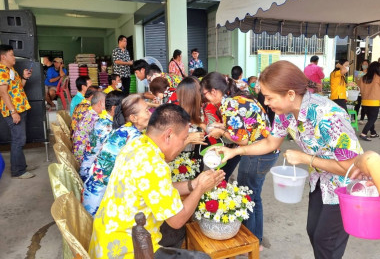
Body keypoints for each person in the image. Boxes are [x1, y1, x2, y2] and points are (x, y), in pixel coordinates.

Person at [214, 61, 363, 258]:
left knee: (326, 242)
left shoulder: (328, 115)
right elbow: (270, 143)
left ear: (290, 94)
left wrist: (305, 158)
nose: (265, 102)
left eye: (269, 97)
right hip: (320, 182)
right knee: (314, 232)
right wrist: (235, 152)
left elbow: (352, 167)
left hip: (346, 187)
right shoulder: (285, 115)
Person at [88, 104, 225, 258]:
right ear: (168, 135)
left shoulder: (138, 143)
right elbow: (177, 220)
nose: (184, 143)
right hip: (129, 249)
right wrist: (200, 188)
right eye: (184, 138)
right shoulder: (155, 165)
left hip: (105, 239)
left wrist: (193, 184)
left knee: (176, 233)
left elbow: (159, 189)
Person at [201, 72, 278, 250]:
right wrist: (223, 127)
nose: (206, 99)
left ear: (213, 91)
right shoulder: (239, 96)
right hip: (267, 150)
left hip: (257, 153)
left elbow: (242, 140)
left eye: (205, 95)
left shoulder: (229, 103)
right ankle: (256, 239)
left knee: (248, 195)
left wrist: (221, 133)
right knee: (254, 195)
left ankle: (251, 242)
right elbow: (245, 126)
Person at [82, 94, 151, 215]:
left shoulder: (123, 130)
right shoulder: (133, 137)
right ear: (133, 117)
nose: (151, 113)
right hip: (100, 205)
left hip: (92, 193)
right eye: (146, 110)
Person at [0, 44, 35, 179]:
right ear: (3, 57)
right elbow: (3, 93)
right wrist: (13, 112)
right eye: (12, 54)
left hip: (20, 108)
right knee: (18, 139)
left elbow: (18, 88)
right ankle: (18, 171)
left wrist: (24, 78)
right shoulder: (2, 71)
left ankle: (21, 165)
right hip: (14, 111)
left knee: (20, 138)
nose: (14, 57)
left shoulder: (11, 69)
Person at [80, 91, 124, 183]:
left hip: (87, 167)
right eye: (125, 107)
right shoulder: (107, 128)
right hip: (91, 176)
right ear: (114, 108)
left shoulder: (103, 121)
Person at [72, 91, 106, 163]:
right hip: (83, 159)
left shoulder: (89, 113)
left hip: (78, 153)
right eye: (106, 103)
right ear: (100, 103)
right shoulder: (95, 119)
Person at [357, 61, 380, 141]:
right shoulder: (378, 77)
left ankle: (373, 133)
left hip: (364, 101)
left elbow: (358, 87)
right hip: (374, 101)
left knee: (370, 118)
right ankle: (363, 133)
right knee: (373, 118)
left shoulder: (363, 77)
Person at [355, 59, 369, 124]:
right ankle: (354, 118)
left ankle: (362, 119)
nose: (364, 65)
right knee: (357, 105)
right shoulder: (358, 73)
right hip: (358, 92)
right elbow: (356, 82)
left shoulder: (370, 74)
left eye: (366, 64)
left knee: (364, 106)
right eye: (363, 64)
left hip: (366, 92)